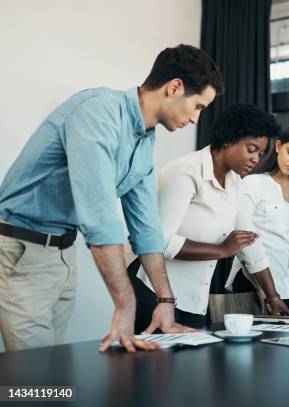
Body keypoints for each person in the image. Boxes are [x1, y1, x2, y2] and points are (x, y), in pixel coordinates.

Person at [0, 44, 223, 352]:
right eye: (198, 106)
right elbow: (99, 215)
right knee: (32, 379)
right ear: (175, 88)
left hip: (62, 254)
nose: (197, 118)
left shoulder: (144, 140)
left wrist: (165, 300)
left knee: (52, 371)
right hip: (22, 248)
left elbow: (147, 229)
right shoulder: (98, 110)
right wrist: (125, 303)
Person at [129, 104, 289, 332]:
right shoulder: (184, 172)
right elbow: (157, 239)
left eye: (260, 153)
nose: (256, 159)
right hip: (153, 293)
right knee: (156, 367)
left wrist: (273, 297)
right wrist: (221, 251)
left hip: (194, 297)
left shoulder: (235, 183)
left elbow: (250, 243)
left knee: (191, 365)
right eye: (251, 149)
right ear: (228, 140)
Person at [227, 125, 289, 311]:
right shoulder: (253, 183)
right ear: (278, 146)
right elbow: (243, 238)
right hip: (254, 284)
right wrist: (263, 287)